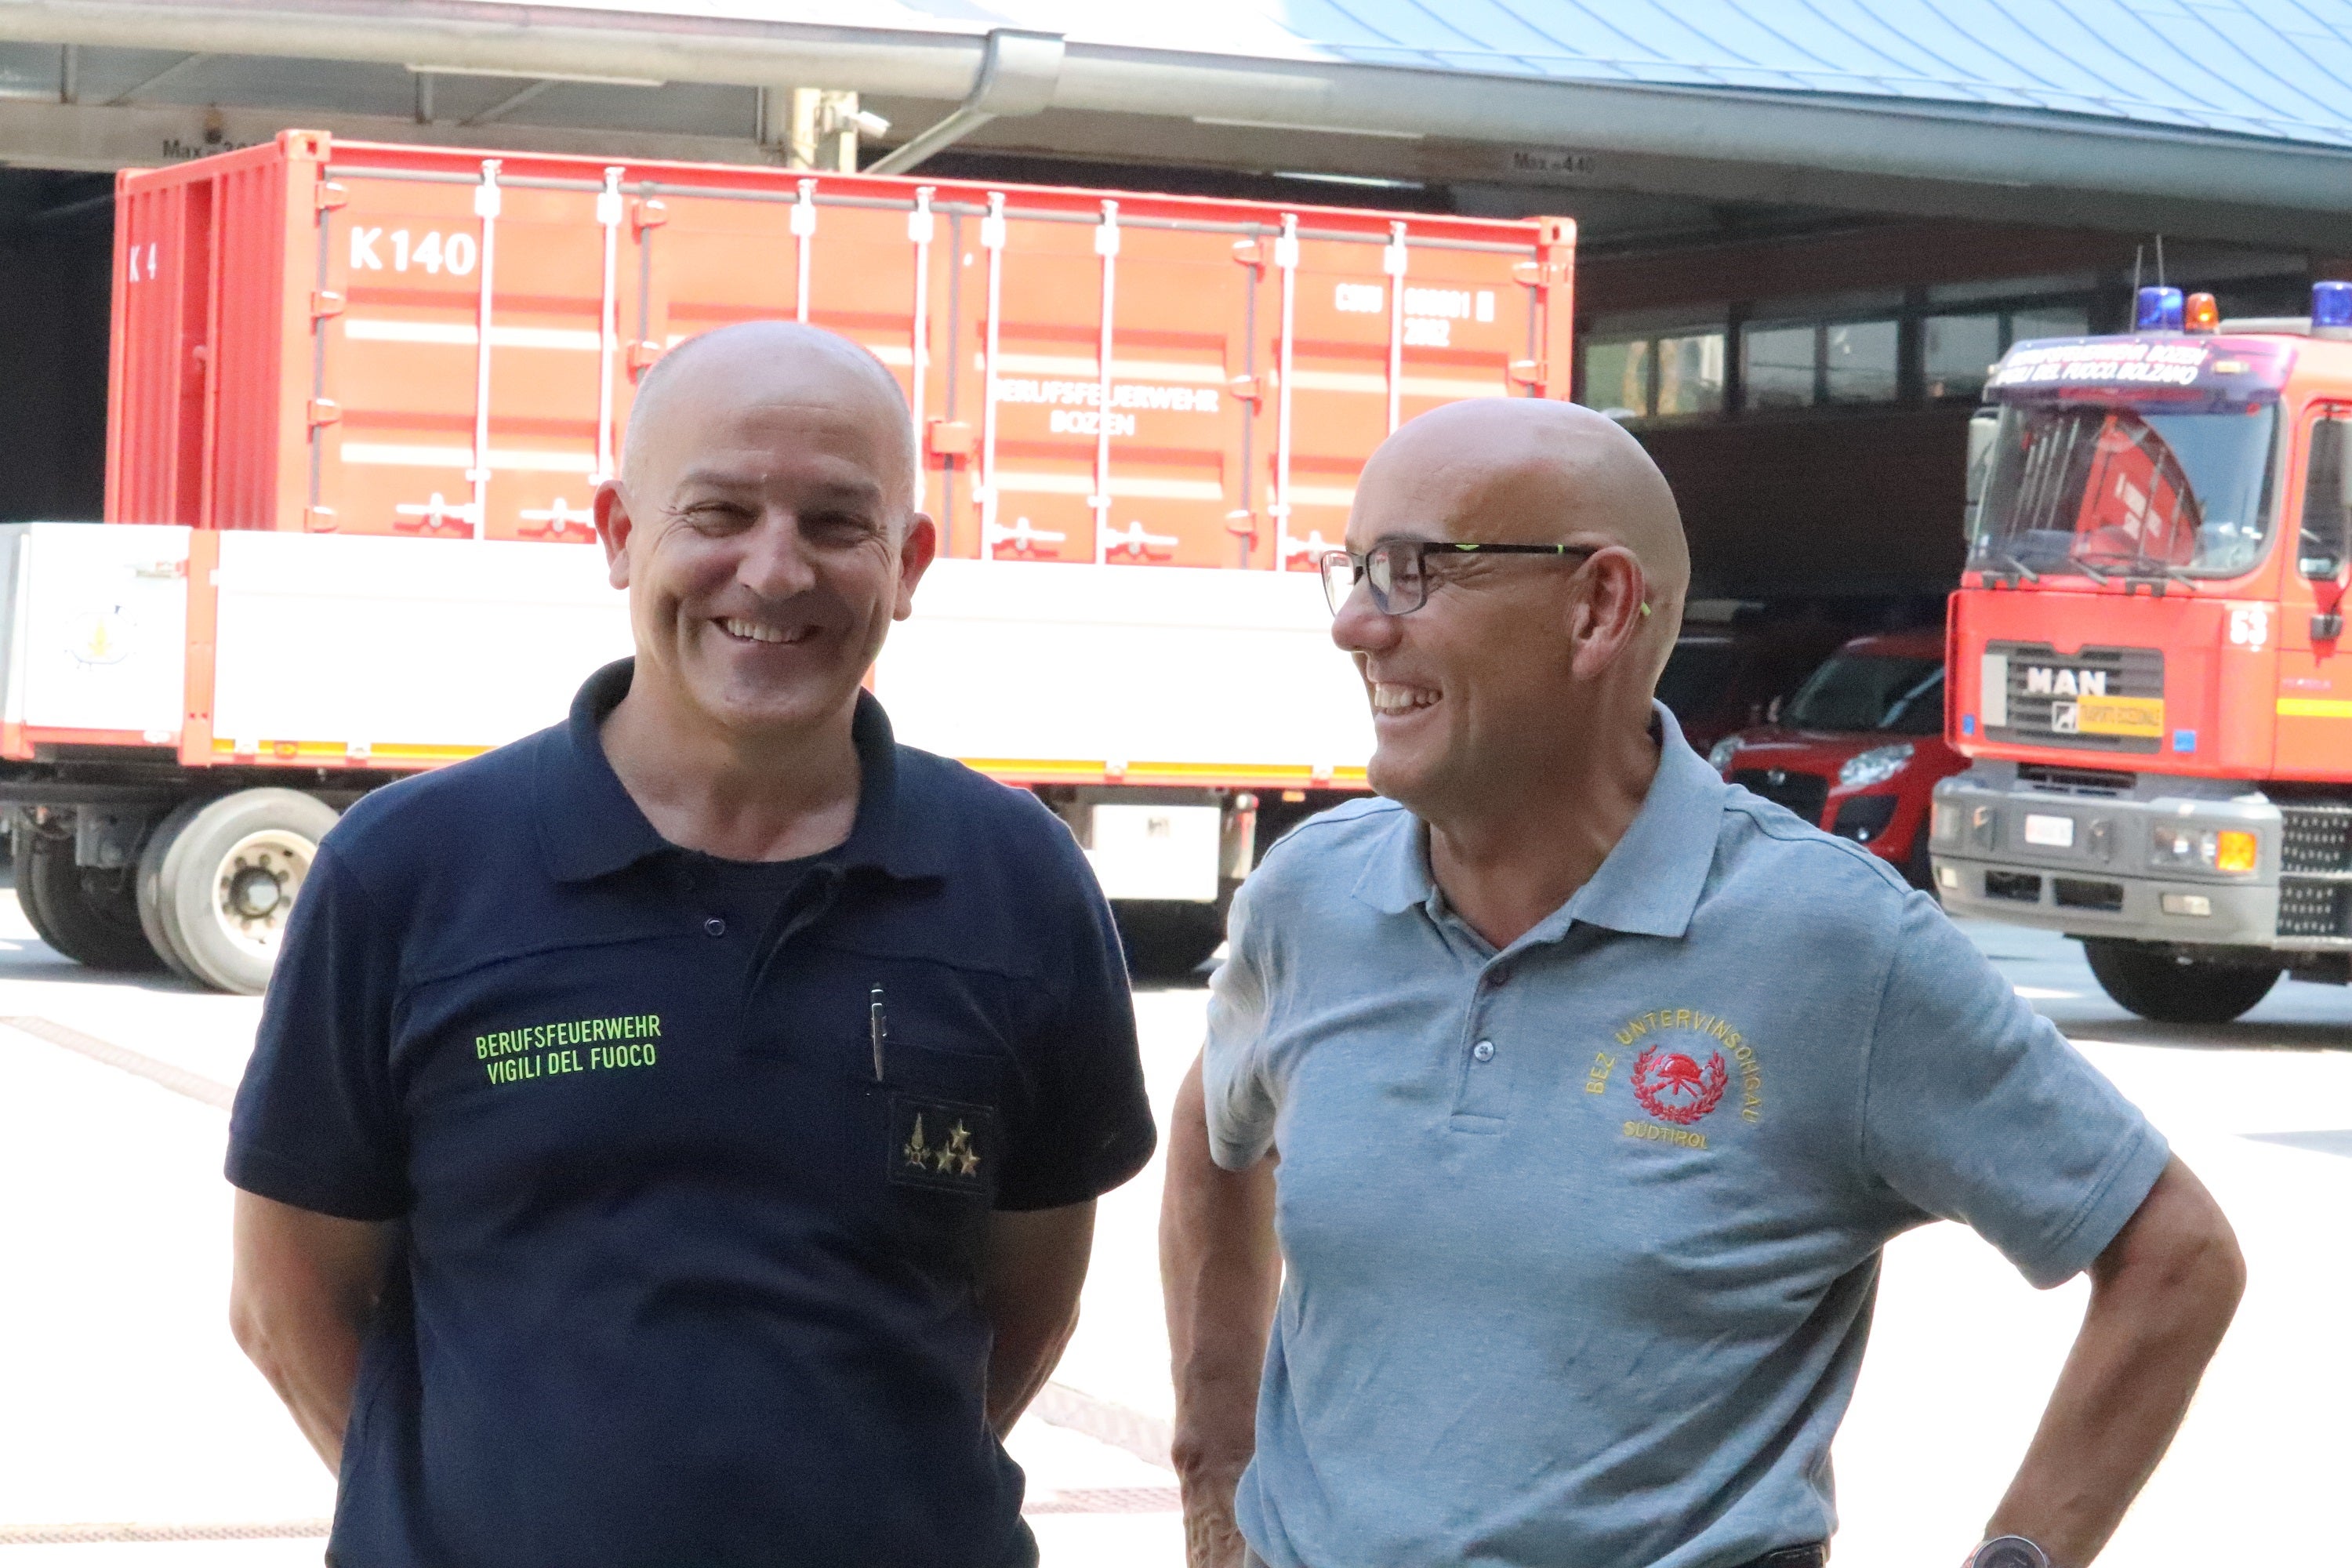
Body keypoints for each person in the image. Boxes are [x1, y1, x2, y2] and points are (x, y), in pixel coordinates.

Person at [1160, 398, 2243, 1568]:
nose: (1357, 626)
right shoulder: (1308, 900)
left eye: (1417, 571)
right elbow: (1218, 1130)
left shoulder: (1830, 941)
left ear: (1598, 607)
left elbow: (2174, 1258)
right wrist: (1216, 1476)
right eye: (1358, 570)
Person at [227, 321, 1156, 1568]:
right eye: (718, 513)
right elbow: (288, 1302)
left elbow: (1030, 1308)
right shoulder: (405, 873)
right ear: (619, 534)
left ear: (910, 562)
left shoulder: (1018, 884)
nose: (773, 572)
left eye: (836, 524)